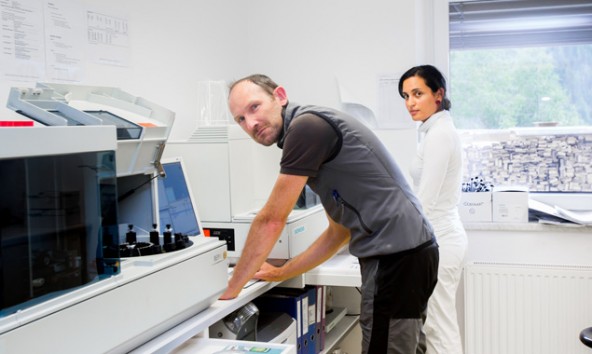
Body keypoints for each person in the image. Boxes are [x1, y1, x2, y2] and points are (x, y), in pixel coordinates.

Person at [220, 73, 439, 354]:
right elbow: (338, 232)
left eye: (254, 107)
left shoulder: (306, 128)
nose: (250, 123)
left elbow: (271, 220)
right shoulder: (311, 134)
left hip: (396, 257)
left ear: (280, 96)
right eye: (240, 119)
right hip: (411, 254)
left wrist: (230, 290)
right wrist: (282, 272)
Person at [398, 65, 468, 354]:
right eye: (405, 96)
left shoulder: (439, 135)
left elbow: (425, 199)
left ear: (438, 94)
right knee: (437, 325)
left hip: (440, 240)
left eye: (418, 93)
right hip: (439, 237)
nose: (410, 103)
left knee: (439, 326)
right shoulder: (435, 131)